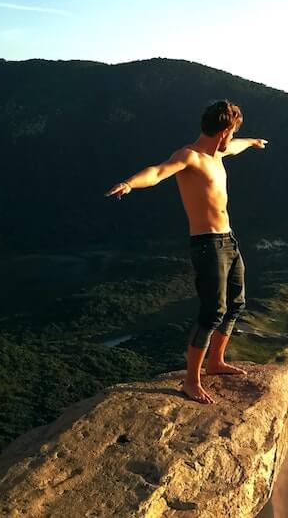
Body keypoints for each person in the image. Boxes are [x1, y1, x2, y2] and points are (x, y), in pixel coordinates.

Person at [105, 99, 268, 403]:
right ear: (223, 131)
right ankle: (191, 381)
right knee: (213, 311)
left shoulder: (220, 152)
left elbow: (239, 146)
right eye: (232, 134)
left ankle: (216, 363)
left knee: (237, 303)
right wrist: (130, 183)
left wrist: (253, 141)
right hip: (208, 244)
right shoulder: (190, 157)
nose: (232, 140)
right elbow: (156, 172)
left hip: (229, 240)